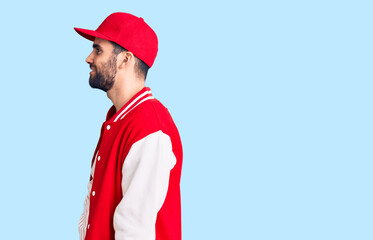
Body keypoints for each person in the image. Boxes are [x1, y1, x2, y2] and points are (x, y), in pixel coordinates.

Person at [74, 12, 183, 240]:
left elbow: (135, 230)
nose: (88, 58)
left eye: (98, 50)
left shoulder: (150, 127)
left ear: (125, 59)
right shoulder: (119, 118)